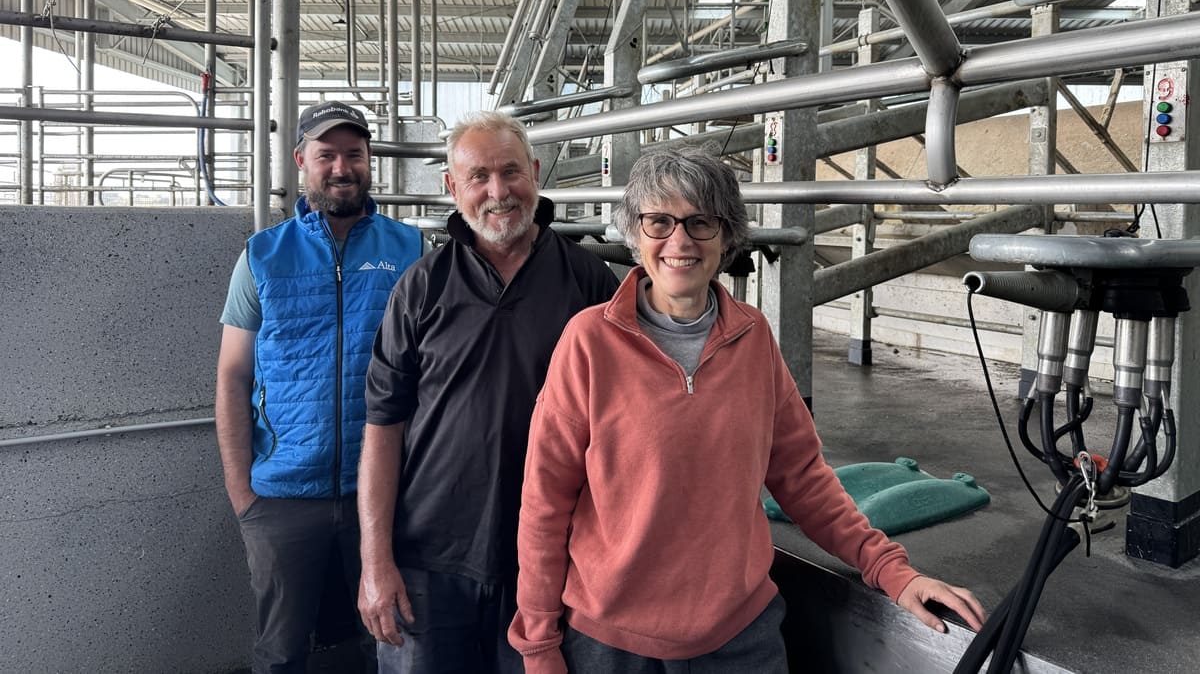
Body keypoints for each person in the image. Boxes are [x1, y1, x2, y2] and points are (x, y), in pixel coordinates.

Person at [509, 147, 986, 673]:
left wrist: (891, 570)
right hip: (610, 645)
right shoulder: (589, 342)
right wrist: (538, 644)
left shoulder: (753, 337)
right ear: (635, 232)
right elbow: (544, 505)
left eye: (701, 222)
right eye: (659, 221)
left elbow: (803, 477)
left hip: (739, 640)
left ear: (727, 235)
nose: (680, 241)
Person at [357, 110, 620, 673]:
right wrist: (375, 562)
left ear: (536, 171)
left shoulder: (591, 283)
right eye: (478, 177)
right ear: (452, 188)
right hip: (428, 561)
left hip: (552, 561)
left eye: (511, 172)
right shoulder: (422, 286)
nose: (498, 192)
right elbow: (383, 425)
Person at [215, 100, 424, 674]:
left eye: (353, 154)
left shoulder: (410, 250)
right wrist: (244, 495)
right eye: (326, 155)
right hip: (282, 496)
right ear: (301, 161)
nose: (341, 167)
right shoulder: (263, 254)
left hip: (383, 493)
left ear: (368, 162)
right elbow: (233, 375)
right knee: (281, 650)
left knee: (385, 640)